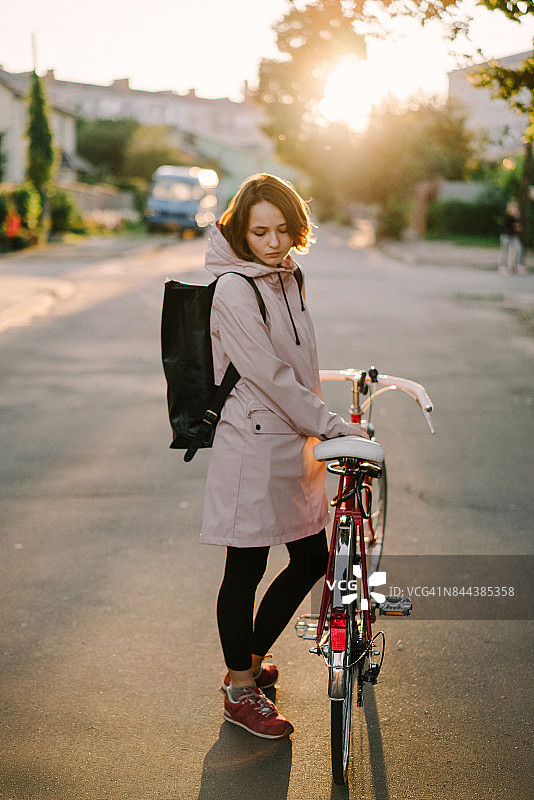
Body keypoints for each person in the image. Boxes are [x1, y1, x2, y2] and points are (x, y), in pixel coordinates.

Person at [199, 174, 368, 739]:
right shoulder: (233, 288)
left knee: (308, 557)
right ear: (240, 232)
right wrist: (332, 424)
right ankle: (240, 688)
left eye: (283, 230)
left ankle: (244, 659)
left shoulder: (288, 277)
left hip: (292, 440)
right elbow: (268, 376)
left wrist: (324, 417)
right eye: (259, 232)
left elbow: (297, 364)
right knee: (245, 565)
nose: (274, 242)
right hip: (250, 443)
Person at [499, 201, 527, 275]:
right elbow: (516, 227)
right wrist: (515, 221)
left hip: (514, 236)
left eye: (515, 208)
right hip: (506, 236)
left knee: (519, 249)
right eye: (512, 208)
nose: (514, 210)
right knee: (505, 252)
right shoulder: (506, 216)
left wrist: (516, 218)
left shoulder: (515, 217)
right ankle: (503, 267)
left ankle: (519, 266)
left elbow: (519, 228)